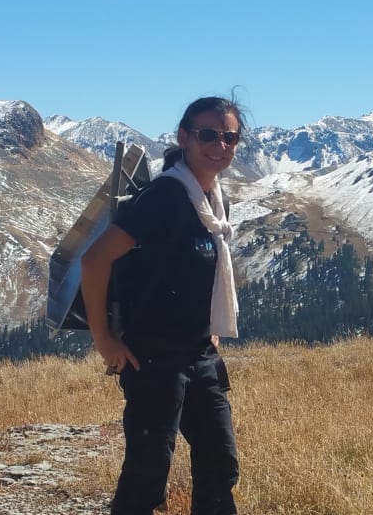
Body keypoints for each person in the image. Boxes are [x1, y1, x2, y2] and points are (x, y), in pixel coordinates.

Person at [80, 96, 245, 515]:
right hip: (153, 358)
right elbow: (95, 260)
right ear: (184, 137)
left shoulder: (213, 200)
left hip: (199, 354)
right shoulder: (165, 197)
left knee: (220, 464)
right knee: (147, 474)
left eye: (229, 137)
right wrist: (104, 339)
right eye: (208, 135)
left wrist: (209, 328)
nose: (220, 145)